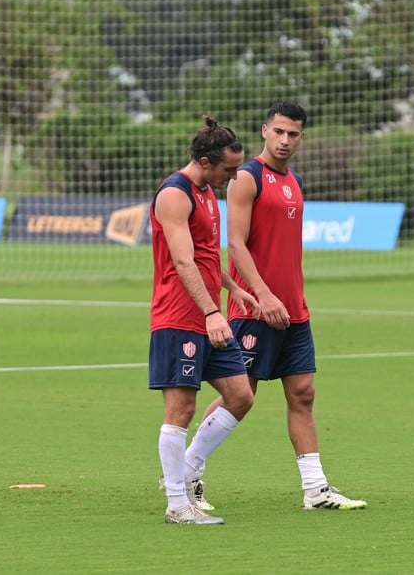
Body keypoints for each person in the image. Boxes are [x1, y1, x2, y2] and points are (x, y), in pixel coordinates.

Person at [195, 101, 367, 510]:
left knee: (303, 393)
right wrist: (264, 294)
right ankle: (189, 474)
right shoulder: (246, 178)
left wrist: (288, 297)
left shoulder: (295, 180)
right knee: (240, 395)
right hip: (256, 308)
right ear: (264, 131)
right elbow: (235, 245)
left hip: (294, 310)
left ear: (301, 137)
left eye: (293, 134)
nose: (285, 140)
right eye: (279, 132)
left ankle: (315, 489)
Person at [149, 115, 259, 525]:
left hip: (210, 315)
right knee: (181, 408)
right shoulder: (174, 195)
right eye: (229, 170)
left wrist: (234, 288)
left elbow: (207, 256)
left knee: (241, 395)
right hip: (180, 316)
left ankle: (187, 468)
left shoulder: (209, 191)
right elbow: (182, 260)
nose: (234, 178)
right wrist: (213, 311)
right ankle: (178, 504)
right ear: (207, 161)